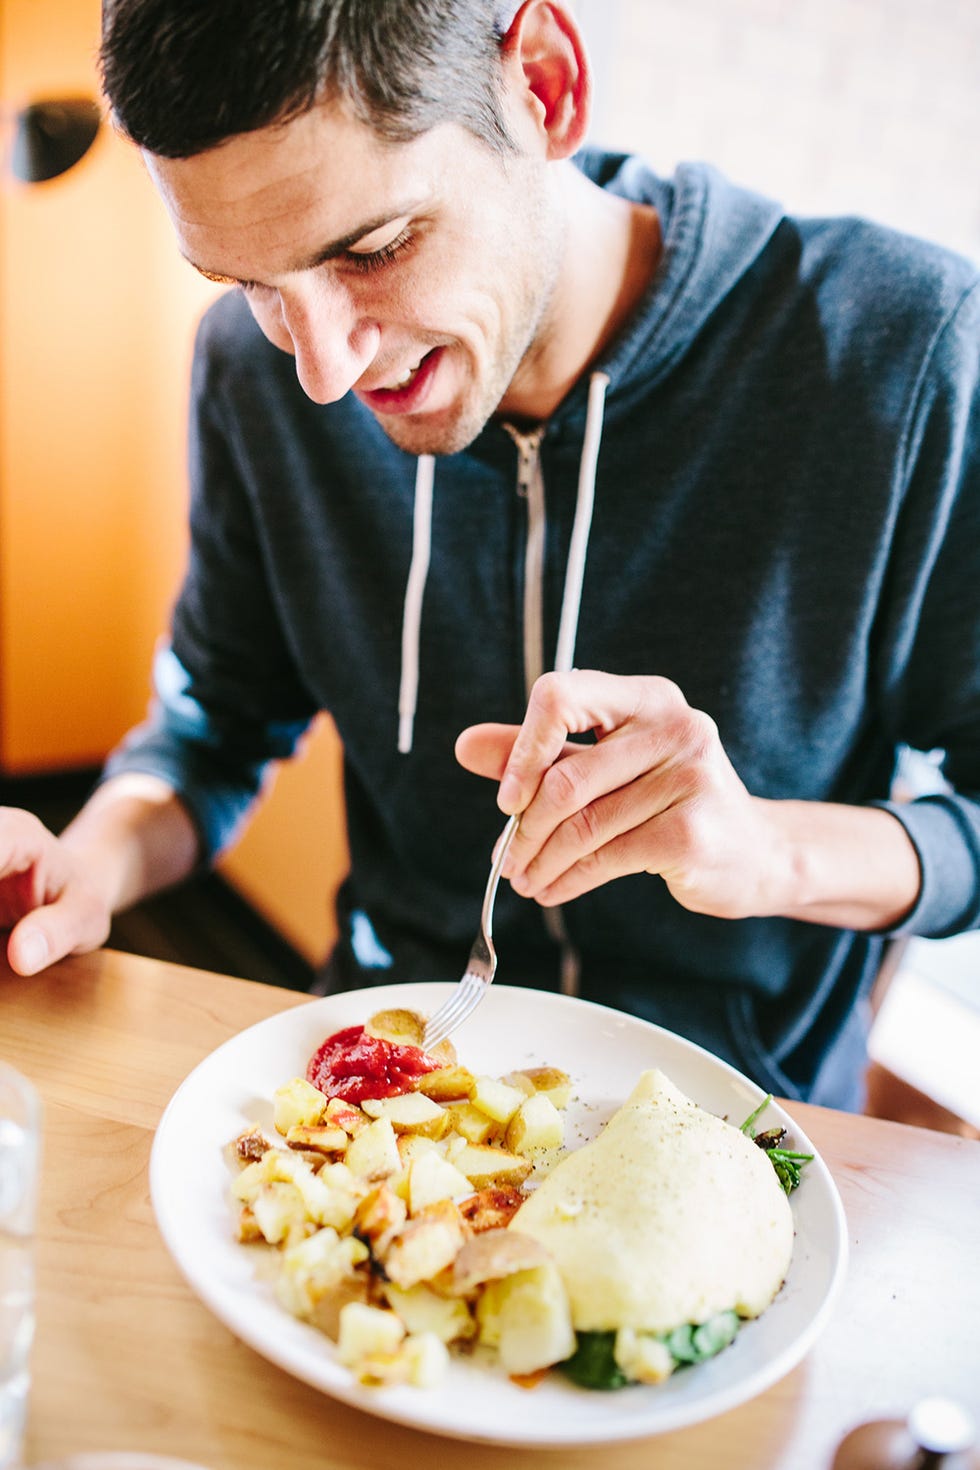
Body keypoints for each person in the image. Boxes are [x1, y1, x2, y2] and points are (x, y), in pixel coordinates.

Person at [1, 0, 977, 1111]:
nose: (322, 372)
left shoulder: (899, 346)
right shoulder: (247, 372)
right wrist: (86, 868)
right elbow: (212, 727)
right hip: (385, 1096)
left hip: (739, 1137)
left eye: (371, 249)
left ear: (546, 85)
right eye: (253, 286)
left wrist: (768, 851)